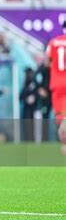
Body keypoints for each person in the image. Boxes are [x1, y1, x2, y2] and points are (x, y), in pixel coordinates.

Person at [45, 21, 66, 154]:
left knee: (61, 116)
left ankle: (64, 144)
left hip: (57, 83)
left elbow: (47, 62)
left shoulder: (53, 42)